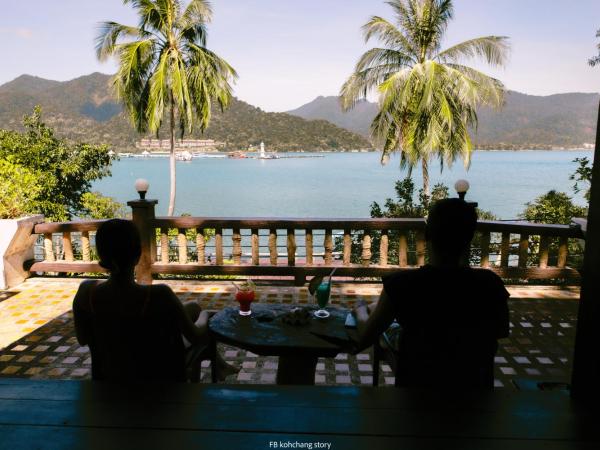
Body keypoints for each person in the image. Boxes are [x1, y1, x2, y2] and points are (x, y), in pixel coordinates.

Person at [353, 198, 510, 389]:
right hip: (473, 395)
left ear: (427, 234)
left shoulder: (402, 285)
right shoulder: (490, 285)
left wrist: (360, 310)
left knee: (385, 326)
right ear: (469, 237)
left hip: (416, 397)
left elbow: (363, 340)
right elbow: (499, 333)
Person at [72, 219, 238, 382]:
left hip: (109, 374)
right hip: (154, 374)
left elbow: (82, 339)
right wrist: (205, 316)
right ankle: (199, 385)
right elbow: (196, 337)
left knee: (193, 307)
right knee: (199, 319)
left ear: (101, 253)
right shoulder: (159, 295)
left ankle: (221, 366)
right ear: (138, 254)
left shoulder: (86, 291)